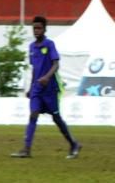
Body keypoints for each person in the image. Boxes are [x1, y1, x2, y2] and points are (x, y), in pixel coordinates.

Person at [11, 15, 81, 159]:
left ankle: (73, 144)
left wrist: (47, 77)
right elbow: (34, 69)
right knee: (33, 115)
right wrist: (31, 87)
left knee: (56, 118)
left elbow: (56, 64)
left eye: (39, 28)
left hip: (50, 89)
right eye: (34, 28)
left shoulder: (50, 44)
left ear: (45, 29)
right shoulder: (31, 47)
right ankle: (26, 149)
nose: (36, 31)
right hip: (37, 88)